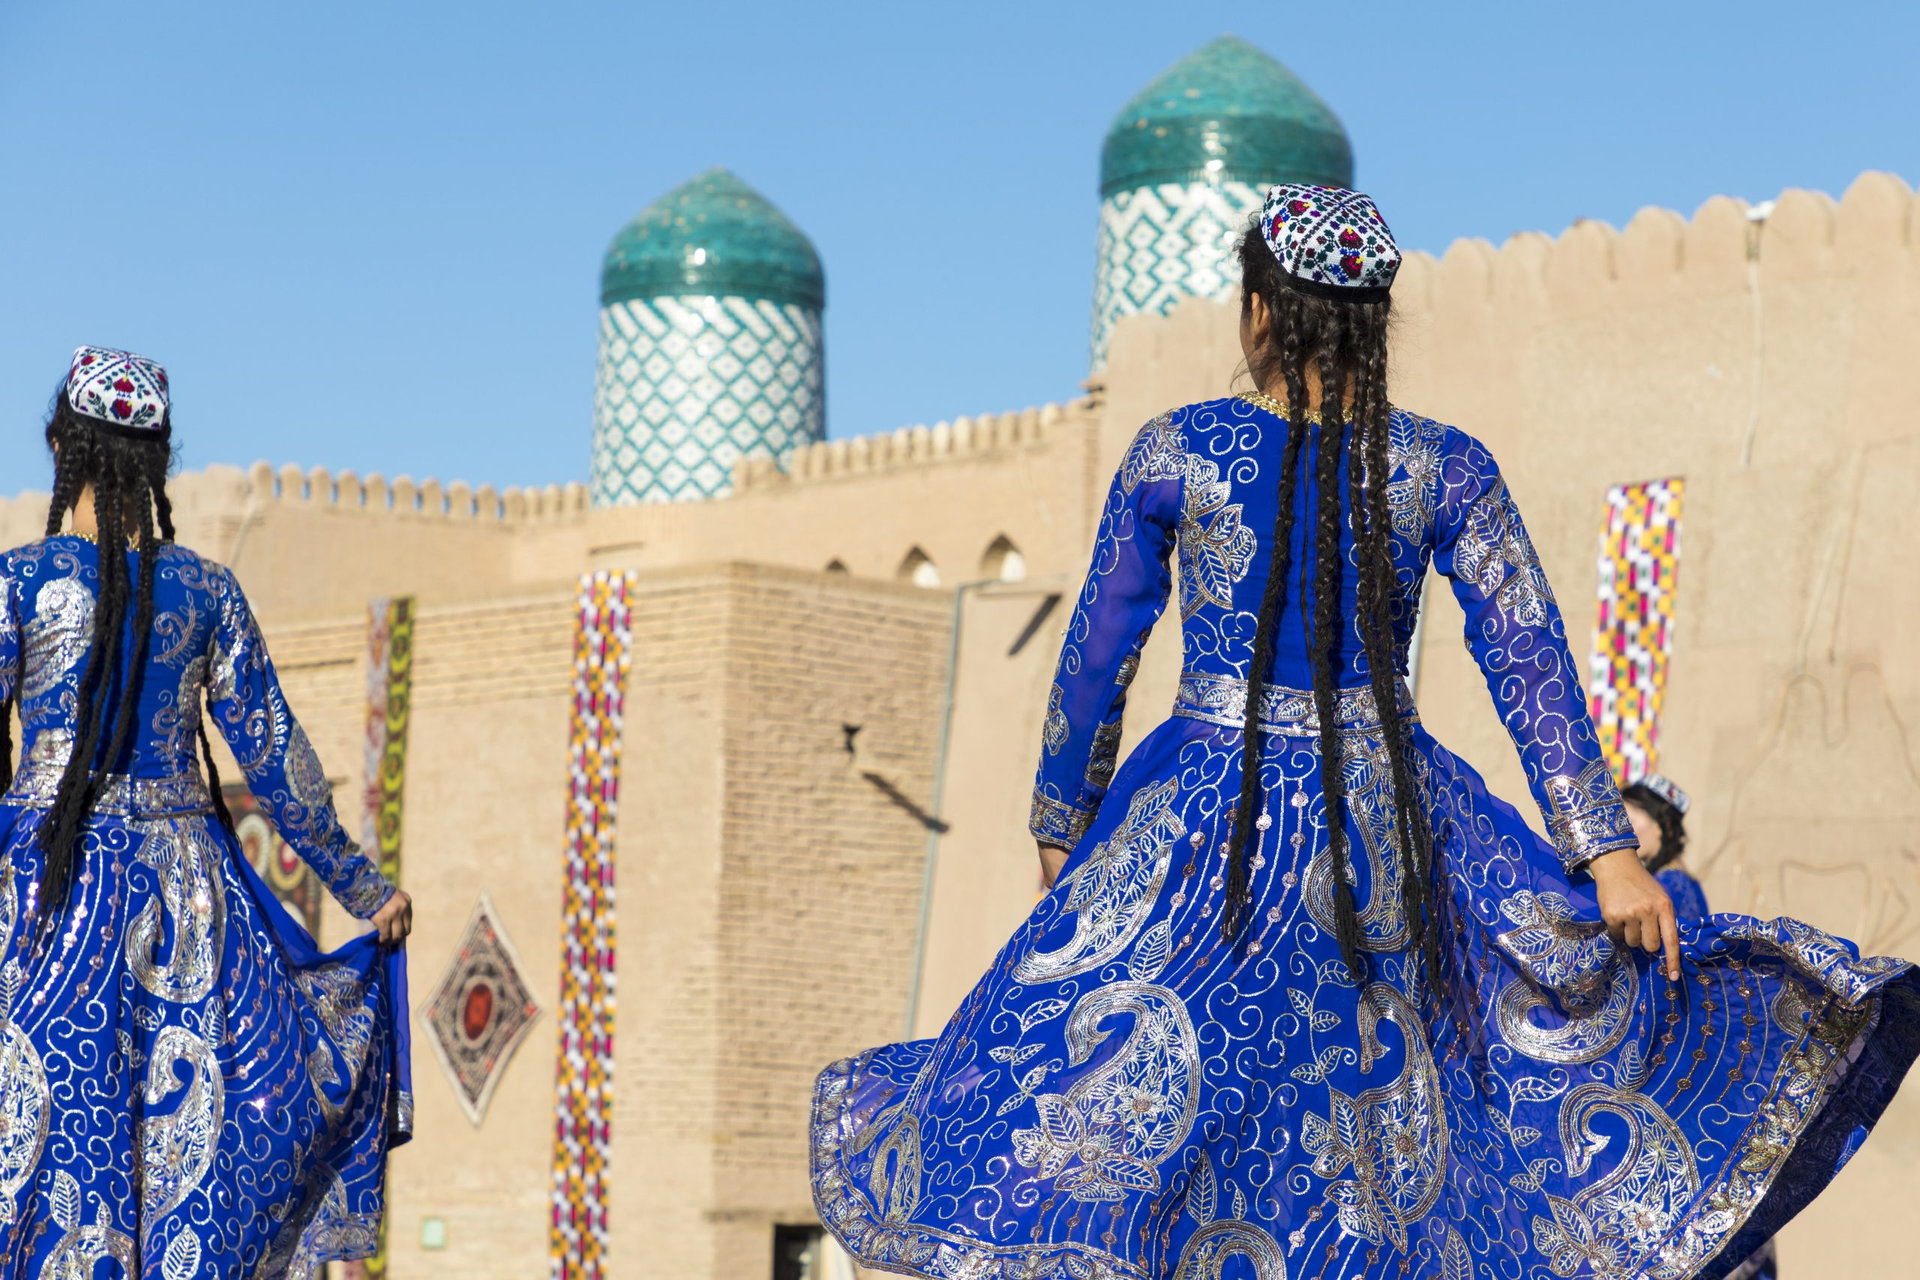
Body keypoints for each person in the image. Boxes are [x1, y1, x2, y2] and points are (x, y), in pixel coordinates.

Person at [810, 187, 1919, 1280]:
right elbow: (1526, 650)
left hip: (1201, 828)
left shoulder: (1177, 452)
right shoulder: (1444, 466)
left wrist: (1065, 824)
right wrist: (1606, 850)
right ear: (1376, 323)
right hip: (1387, 842)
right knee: (1375, 1147)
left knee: (1042, 1101)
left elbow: (1098, 652)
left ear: (1257, 313)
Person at [0, 348, 413, 1277]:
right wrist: (364, 889)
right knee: (189, 1155)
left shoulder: (17, 584)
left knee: (48, 1157)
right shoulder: (207, 592)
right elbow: (275, 756)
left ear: (61, 446)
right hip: (192, 911)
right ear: (160, 462)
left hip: (43, 895)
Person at [1621, 773, 1778, 1280]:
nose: (1619, 830)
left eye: (1631, 818)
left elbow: (1669, 983)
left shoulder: (1672, 890)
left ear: (1663, 830)